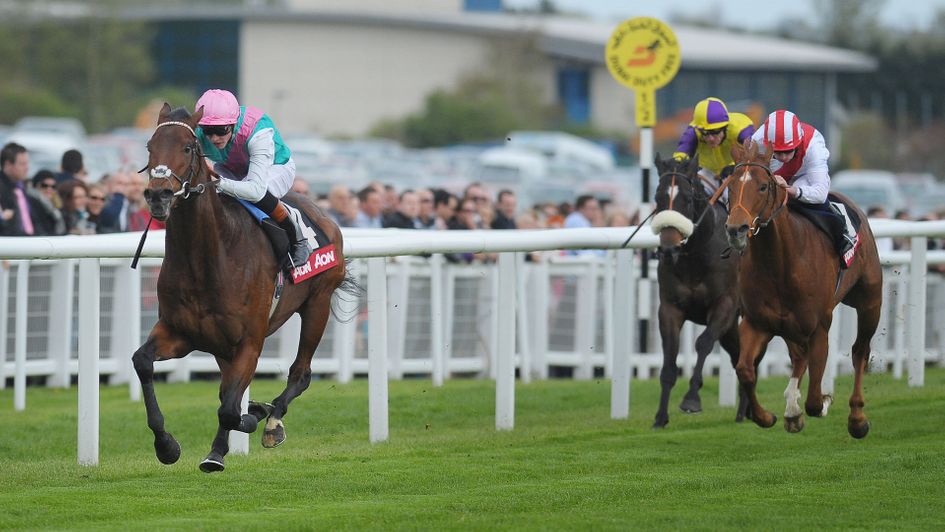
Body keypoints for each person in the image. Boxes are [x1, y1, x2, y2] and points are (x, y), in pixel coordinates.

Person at [194, 88, 312, 268]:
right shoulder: (198, 134)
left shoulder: (258, 131)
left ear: (233, 123)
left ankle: (297, 237)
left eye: (220, 130)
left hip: (276, 167)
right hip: (231, 167)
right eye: (208, 131)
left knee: (252, 197)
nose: (214, 138)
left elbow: (256, 190)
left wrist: (217, 183)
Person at [750, 109, 856, 262]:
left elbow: (820, 194)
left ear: (798, 143)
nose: (783, 157)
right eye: (777, 152)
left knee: (797, 199)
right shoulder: (758, 140)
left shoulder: (814, 147)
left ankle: (842, 229)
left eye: (787, 151)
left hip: (804, 175)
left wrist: (790, 189)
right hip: (777, 175)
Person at [673, 97, 755, 195]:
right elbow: (680, 156)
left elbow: (756, 156)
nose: (711, 138)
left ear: (725, 126)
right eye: (705, 133)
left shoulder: (742, 129)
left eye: (715, 132)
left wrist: (736, 167)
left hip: (737, 173)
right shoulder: (693, 131)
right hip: (706, 173)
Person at [0, 142, 43, 236]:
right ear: (8, 165)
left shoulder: (22, 187)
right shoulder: (3, 189)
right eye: (22, 164)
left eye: (27, 163)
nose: (27, 168)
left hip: (31, 242)